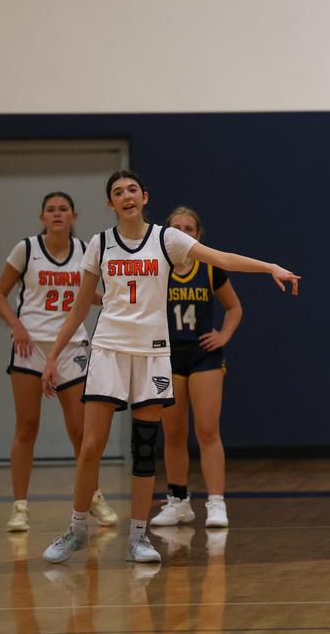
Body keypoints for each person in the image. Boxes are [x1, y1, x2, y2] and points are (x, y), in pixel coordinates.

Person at [40, 170, 300, 564]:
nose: (126, 195)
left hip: (152, 353)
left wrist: (269, 267)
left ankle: (138, 537)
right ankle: (76, 529)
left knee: (145, 448)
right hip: (109, 349)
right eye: (117, 192)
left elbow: (221, 258)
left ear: (144, 197)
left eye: (132, 189)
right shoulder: (100, 243)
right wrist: (52, 357)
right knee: (91, 445)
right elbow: (79, 308)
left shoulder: (167, 239)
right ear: (110, 203)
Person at [0, 191, 117, 532]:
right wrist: (16, 325)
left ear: (74, 216)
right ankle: (20, 506)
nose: (57, 214)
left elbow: (87, 295)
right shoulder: (26, 249)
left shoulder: (86, 251)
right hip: (30, 347)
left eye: (63, 209)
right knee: (27, 427)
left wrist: (112, 300)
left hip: (71, 346)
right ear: (42, 217)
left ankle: (93, 496)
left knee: (81, 430)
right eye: (51, 209)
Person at [151, 206, 242, 529]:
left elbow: (234, 307)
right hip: (167, 356)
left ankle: (216, 502)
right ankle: (178, 501)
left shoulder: (209, 267)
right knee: (174, 433)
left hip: (204, 357)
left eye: (189, 228)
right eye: (176, 228)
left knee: (207, 431)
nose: (183, 233)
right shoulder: (157, 267)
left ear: (198, 235)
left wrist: (224, 335)